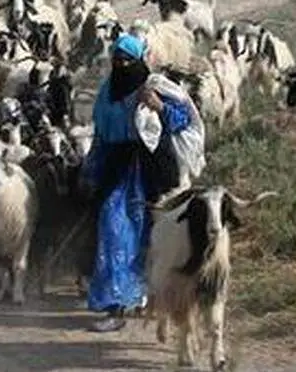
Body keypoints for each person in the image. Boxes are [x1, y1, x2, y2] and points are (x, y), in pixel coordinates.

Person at [79, 33, 205, 333]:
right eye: (117, 59)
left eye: (127, 59)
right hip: (117, 168)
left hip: (154, 171)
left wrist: (160, 107)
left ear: (138, 61)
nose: (122, 64)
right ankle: (115, 305)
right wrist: (91, 170)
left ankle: (155, 300)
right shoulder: (107, 92)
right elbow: (100, 135)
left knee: (156, 237)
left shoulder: (155, 87)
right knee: (114, 229)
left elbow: (184, 121)